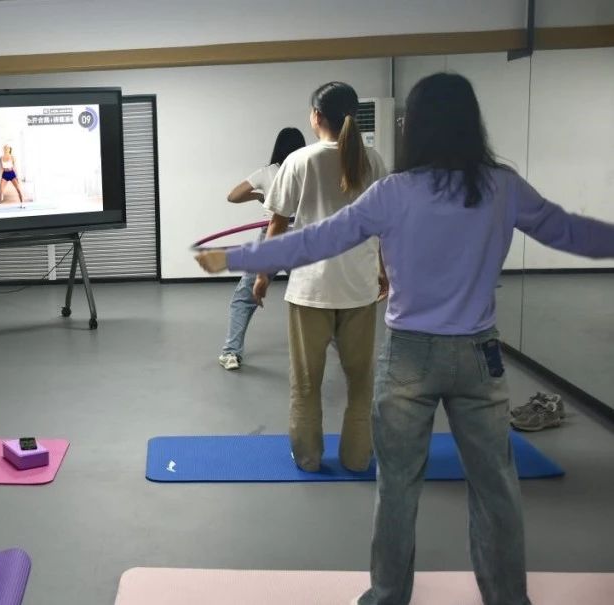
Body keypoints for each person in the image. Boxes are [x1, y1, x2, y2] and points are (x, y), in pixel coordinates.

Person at [196, 72, 614, 605]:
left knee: (397, 488)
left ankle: (388, 596)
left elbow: (316, 241)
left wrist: (236, 258)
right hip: (478, 357)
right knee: (496, 489)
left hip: (410, 357)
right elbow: (571, 230)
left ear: (412, 127)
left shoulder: (396, 192)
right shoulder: (502, 186)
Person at [255, 82, 387, 473]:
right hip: (359, 287)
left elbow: (277, 225)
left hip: (310, 289)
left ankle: (308, 458)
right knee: (361, 384)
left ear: (316, 116)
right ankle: (357, 458)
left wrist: (263, 276)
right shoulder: (374, 161)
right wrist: (384, 270)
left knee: (306, 384)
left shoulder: (299, 161)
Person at [218, 127, 306, 371]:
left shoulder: (267, 172)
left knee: (244, 298)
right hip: (300, 237)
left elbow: (233, 196)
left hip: (271, 235)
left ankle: (231, 353)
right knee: (313, 296)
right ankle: (341, 350)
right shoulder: (308, 169)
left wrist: (259, 196)